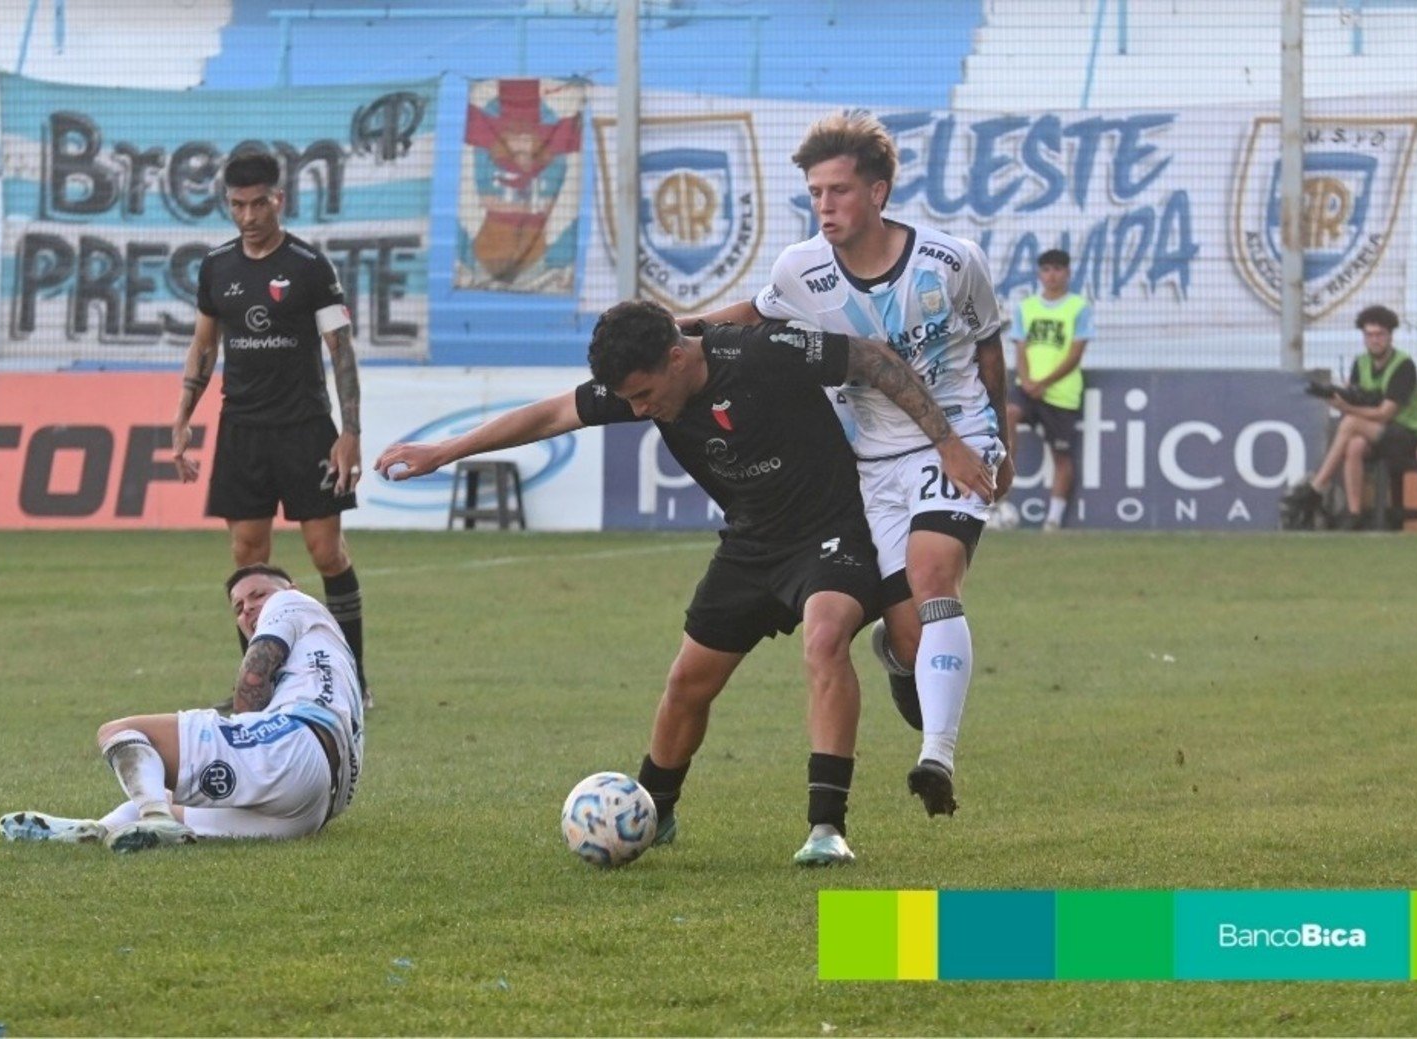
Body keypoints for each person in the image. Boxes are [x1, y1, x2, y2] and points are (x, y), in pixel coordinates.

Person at [374, 300, 987, 866]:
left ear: (676, 357)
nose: (638, 411)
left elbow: (872, 358)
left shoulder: (761, 353)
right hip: (750, 547)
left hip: (832, 534)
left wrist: (948, 443)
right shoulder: (644, 383)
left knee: (824, 638)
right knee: (687, 681)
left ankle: (826, 828)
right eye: (628, 400)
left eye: (643, 396)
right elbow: (555, 412)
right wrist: (443, 451)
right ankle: (652, 811)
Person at [679, 110, 1012, 819]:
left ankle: (937, 760)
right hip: (869, 461)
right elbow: (758, 312)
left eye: (838, 190)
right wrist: (680, 328)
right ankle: (899, 659)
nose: (824, 206)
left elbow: (988, 351)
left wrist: (997, 442)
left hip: (954, 439)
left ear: (879, 192)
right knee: (908, 631)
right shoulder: (799, 269)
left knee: (931, 575)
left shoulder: (951, 262)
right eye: (815, 193)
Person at [169, 152, 371, 706]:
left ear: (278, 199)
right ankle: (258, 686)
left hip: (306, 427)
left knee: (326, 552)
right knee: (247, 556)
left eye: (259, 202)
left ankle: (353, 678)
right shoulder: (217, 268)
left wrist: (349, 430)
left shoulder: (309, 266)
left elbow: (340, 350)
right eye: (237, 204)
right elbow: (204, 344)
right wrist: (184, 415)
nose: (249, 214)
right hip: (243, 430)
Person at [0, 564, 364, 853]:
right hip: (312, 809)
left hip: (293, 750)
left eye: (258, 595)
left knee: (121, 732)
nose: (249, 607)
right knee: (166, 799)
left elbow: (254, 673)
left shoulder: (291, 602)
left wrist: (244, 725)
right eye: (239, 607)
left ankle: (157, 819)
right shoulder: (332, 652)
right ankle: (95, 830)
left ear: (291, 589)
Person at [1285, 304, 1417, 530]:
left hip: (1405, 438)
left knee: (1350, 423)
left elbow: (1384, 414)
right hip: (1374, 435)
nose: (1374, 340)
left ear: (1390, 336)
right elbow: (1355, 398)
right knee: (1354, 446)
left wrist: (1346, 408)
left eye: (1380, 334)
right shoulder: (1360, 363)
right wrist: (1340, 398)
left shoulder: (1404, 365)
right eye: (1369, 335)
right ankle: (1354, 513)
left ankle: (1317, 486)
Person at [1007, 248, 1092, 532]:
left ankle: (1053, 519)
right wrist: (1027, 379)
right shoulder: (1027, 307)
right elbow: (1020, 348)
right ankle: (999, 496)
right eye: (1046, 270)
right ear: (1039, 274)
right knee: (1008, 413)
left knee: (1062, 456)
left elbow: (1075, 353)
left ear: (1067, 273)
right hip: (1028, 387)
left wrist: (1044, 383)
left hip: (1060, 393)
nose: (1052, 275)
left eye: (1057, 269)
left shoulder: (1078, 307)